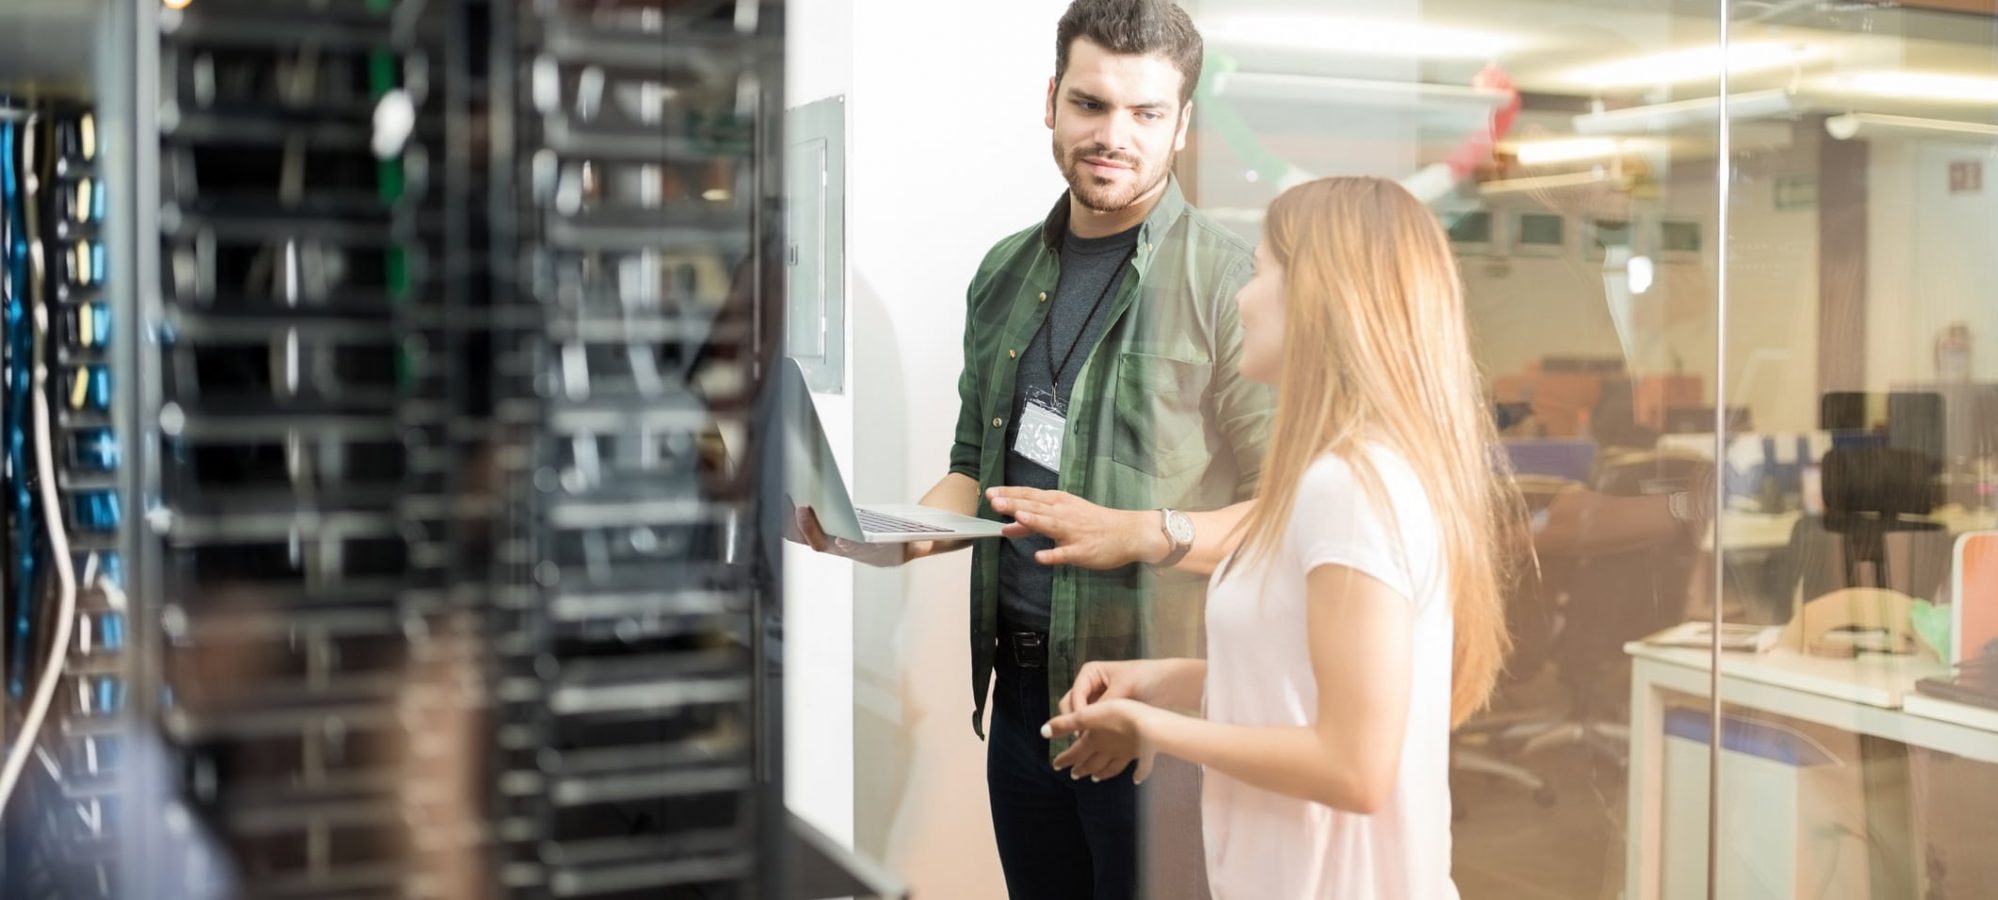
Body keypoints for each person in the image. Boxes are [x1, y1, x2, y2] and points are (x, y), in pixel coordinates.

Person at [791, 2, 1271, 897]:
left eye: (1146, 114)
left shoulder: (1232, 284)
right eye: (1090, 105)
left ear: (1183, 124)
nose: (1113, 137)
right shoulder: (1004, 272)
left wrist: (1141, 532)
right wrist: (888, 535)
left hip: (1156, 720)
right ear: (1051, 100)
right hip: (1020, 708)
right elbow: (975, 468)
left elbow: (1286, 516)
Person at [1040, 176, 1524, 900]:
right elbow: (1315, 682)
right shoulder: (1338, 477)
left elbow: (1354, 767)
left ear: (1318, 296)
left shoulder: (1351, 489)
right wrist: (1170, 682)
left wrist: (1154, 728)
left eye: (1260, 272)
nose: (1241, 298)